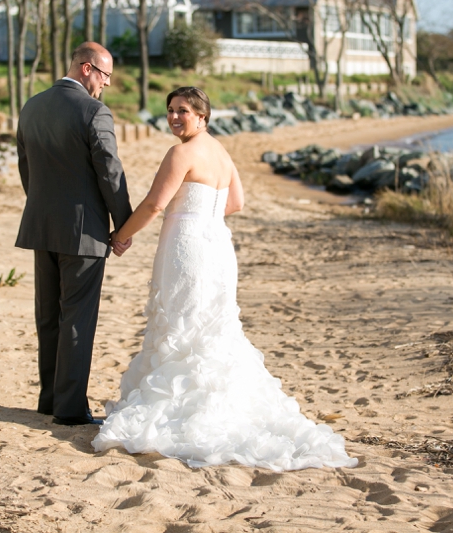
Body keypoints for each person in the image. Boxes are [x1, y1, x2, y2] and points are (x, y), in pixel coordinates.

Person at [92, 87, 356, 470]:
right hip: (216, 245)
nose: (174, 117)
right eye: (170, 110)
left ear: (202, 116)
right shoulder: (220, 151)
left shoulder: (181, 153)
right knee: (211, 326)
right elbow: (236, 203)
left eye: (183, 110)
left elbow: (154, 204)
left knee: (182, 324)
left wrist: (121, 235)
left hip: (187, 247)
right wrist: (203, 215)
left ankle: (178, 410)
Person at [15, 42, 133, 427]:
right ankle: (69, 409)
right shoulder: (94, 111)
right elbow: (110, 172)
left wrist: (42, 205)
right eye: (105, 75)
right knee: (77, 318)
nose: (106, 84)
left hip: (42, 224)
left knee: (48, 316)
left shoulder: (32, 106)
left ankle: (49, 399)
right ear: (86, 69)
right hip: (84, 233)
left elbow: (25, 166)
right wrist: (124, 224)